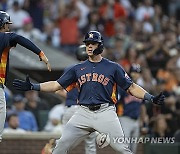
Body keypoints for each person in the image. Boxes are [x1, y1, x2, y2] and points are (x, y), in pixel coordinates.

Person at [13, 30, 165, 154]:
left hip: (106, 112)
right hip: (82, 112)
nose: (89, 46)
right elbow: (56, 85)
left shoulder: (113, 67)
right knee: (60, 147)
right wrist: (34, 86)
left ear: (100, 46)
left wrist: (150, 97)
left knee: (123, 149)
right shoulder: (77, 69)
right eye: (87, 43)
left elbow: (131, 88)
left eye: (93, 43)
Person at [0, 11, 51, 142]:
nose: (8, 26)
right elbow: (19, 39)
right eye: (6, 24)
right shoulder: (5, 37)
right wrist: (40, 53)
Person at [117, 64, 148, 153]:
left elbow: (142, 106)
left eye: (138, 72)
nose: (135, 74)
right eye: (134, 72)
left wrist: (143, 121)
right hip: (124, 119)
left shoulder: (140, 89)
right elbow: (115, 102)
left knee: (133, 149)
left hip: (136, 121)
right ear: (130, 73)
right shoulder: (123, 87)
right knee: (124, 148)